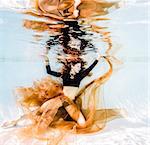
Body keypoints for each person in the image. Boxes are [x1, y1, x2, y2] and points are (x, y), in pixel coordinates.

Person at [44, 55, 101, 127]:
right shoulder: (64, 75)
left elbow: (90, 68)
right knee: (42, 113)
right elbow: (49, 71)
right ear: (72, 66)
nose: (79, 68)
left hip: (70, 103)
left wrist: (97, 58)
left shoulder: (80, 76)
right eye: (77, 66)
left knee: (83, 124)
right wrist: (46, 59)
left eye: (80, 67)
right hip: (62, 100)